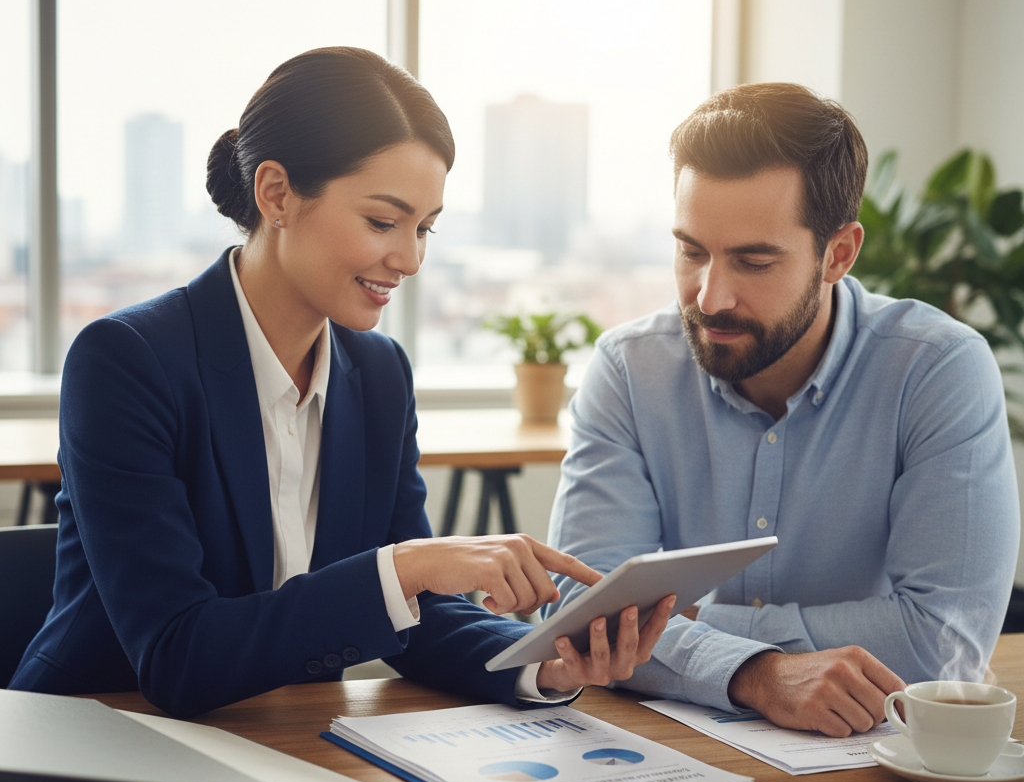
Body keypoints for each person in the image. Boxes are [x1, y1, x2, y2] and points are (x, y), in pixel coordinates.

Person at [11, 47, 674, 718]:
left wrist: (546, 659)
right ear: (276, 194)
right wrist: (408, 567)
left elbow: (422, 623)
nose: (411, 259)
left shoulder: (379, 375)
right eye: (383, 222)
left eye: (425, 229)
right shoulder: (127, 362)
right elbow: (177, 655)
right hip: (95, 743)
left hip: (278, 739)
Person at [545, 82, 1019, 738]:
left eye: (754, 260)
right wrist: (756, 674)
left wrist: (689, 630)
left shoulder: (935, 370)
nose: (710, 297)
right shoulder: (630, 371)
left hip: (881, 758)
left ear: (839, 254)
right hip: (679, 754)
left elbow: (939, 643)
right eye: (691, 251)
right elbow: (584, 623)